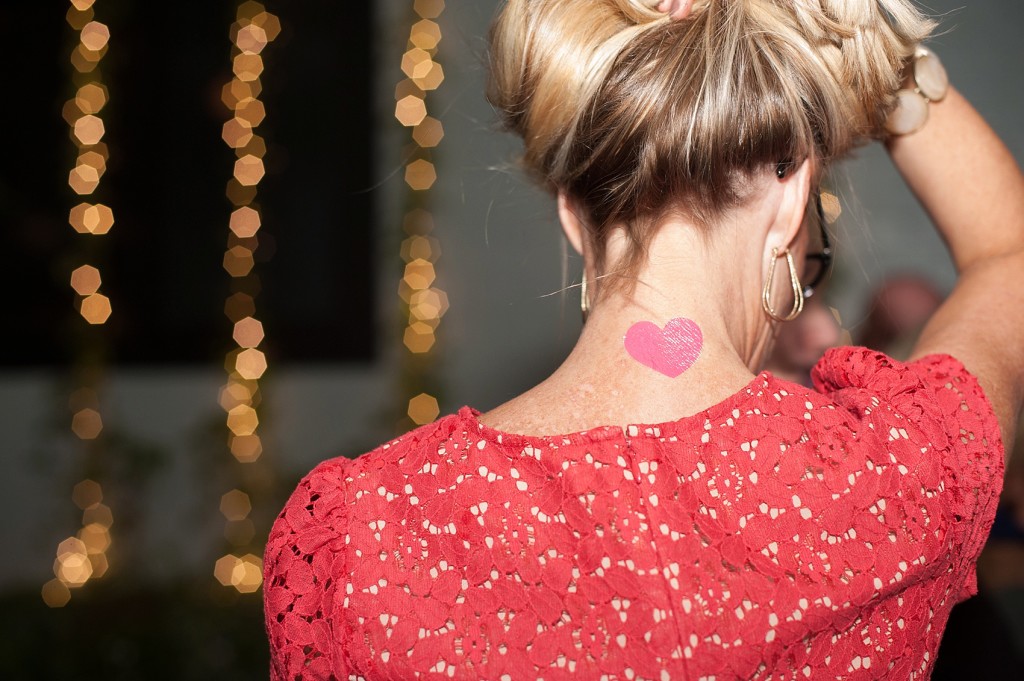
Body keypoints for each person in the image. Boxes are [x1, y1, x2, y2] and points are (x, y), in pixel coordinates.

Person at [263, 0, 1024, 678]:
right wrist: (868, 43)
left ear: (572, 213)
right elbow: (1008, 254)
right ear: (794, 196)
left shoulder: (356, 538)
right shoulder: (900, 479)